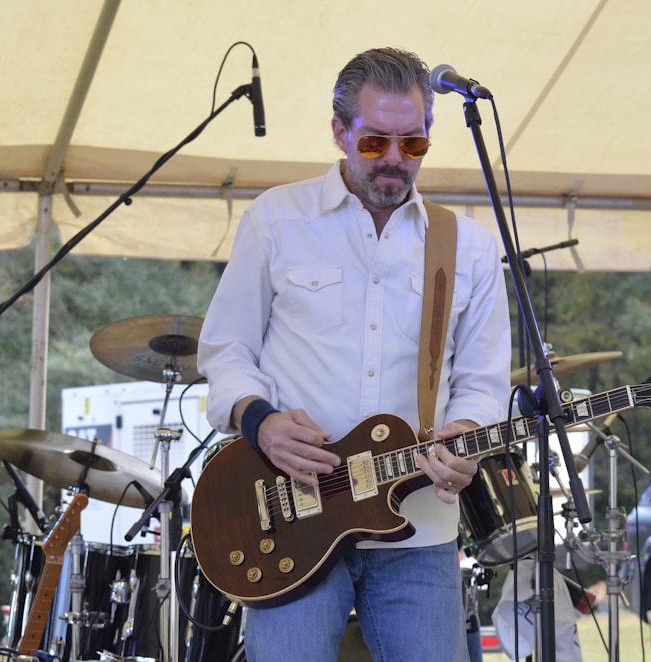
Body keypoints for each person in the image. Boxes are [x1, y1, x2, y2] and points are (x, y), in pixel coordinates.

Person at [197, 47, 511, 662]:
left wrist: (469, 430)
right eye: (375, 143)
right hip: (290, 515)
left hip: (419, 526)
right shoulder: (276, 220)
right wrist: (259, 422)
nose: (395, 160)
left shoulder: (468, 248)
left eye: (413, 144)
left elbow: (482, 380)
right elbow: (226, 350)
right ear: (340, 131)